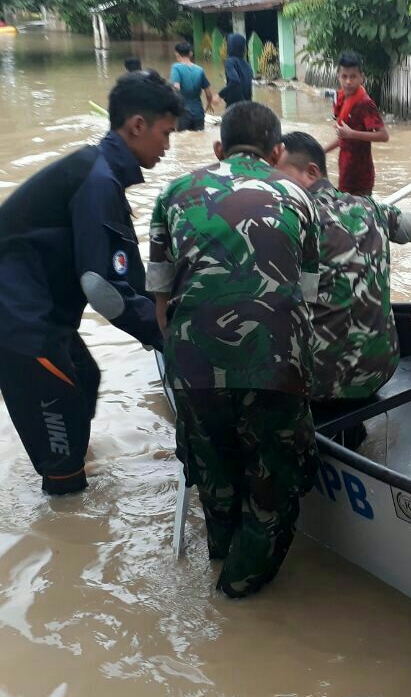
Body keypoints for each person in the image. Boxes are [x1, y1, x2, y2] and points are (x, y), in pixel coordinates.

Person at [0, 71, 179, 495]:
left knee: (85, 378)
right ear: (137, 126)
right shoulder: (98, 181)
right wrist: (165, 333)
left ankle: (73, 464)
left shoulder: (99, 173)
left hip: (35, 306)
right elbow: (102, 289)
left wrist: (169, 306)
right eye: (165, 134)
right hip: (14, 314)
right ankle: (66, 501)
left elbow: (124, 274)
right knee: (59, 403)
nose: (167, 148)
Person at [148, 101, 320, 599]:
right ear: (277, 151)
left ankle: (220, 559)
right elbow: (303, 298)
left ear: (219, 149)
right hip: (275, 365)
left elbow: (161, 304)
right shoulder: (297, 195)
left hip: (192, 365)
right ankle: (237, 594)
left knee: (214, 477)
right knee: (273, 490)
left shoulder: (174, 193)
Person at [275, 131, 411, 406]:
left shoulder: (290, 219)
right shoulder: (372, 208)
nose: (273, 187)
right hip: (381, 369)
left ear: (311, 172)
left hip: (318, 380)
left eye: (279, 178)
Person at [323, 51, 388, 196]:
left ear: (361, 78)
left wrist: (352, 133)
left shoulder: (365, 103)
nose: (348, 81)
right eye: (344, 76)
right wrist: (322, 151)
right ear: (338, 76)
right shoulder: (342, 99)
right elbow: (343, 138)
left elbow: (383, 136)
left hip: (361, 177)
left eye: (353, 77)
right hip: (346, 171)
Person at [169, 41, 214, 131]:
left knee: (182, 141)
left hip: (183, 112)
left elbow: (176, 88)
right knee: (199, 138)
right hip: (199, 112)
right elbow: (208, 93)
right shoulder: (200, 70)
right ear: (190, 54)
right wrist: (209, 104)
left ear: (177, 54)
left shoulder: (176, 67)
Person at [218, 33, 254, 107]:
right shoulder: (248, 66)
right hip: (247, 106)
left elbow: (235, 80)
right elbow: (249, 91)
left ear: (231, 46)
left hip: (234, 108)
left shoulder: (229, 61)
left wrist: (220, 95)